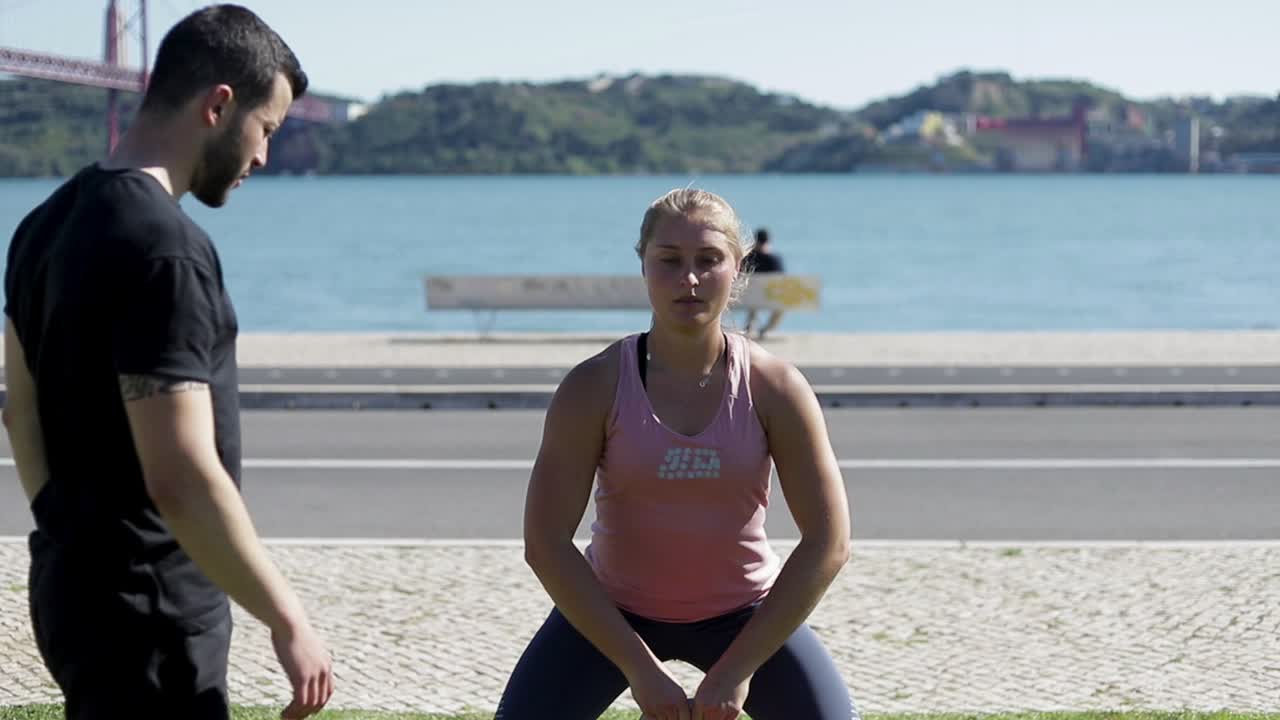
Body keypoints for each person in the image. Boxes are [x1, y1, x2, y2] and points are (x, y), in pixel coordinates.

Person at [3, 6, 333, 718]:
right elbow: (180, 473)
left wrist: (65, 533)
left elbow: (20, 407)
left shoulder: (42, 224)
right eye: (266, 129)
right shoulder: (167, 251)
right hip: (152, 612)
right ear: (219, 105)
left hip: (71, 590)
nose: (264, 158)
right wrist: (288, 618)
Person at [497, 189, 856, 720]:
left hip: (744, 614)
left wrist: (735, 673)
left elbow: (829, 542)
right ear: (643, 265)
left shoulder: (776, 387)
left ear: (737, 268)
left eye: (708, 260)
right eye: (669, 261)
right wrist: (641, 672)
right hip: (613, 612)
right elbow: (545, 544)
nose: (689, 279)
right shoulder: (593, 386)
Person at [743, 228, 786, 341]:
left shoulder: (748, 258)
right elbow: (783, 280)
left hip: (745, 298)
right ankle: (765, 330)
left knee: (753, 297)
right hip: (769, 297)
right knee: (781, 308)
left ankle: (750, 324)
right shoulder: (774, 260)